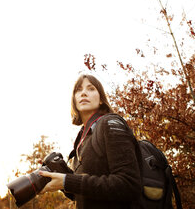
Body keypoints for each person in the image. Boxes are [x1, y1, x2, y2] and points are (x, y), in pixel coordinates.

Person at [39, 74, 142, 209]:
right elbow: (85, 194)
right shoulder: (82, 138)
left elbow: (129, 184)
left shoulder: (110, 123)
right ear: (74, 101)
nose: (84, 93)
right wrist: (62, 181)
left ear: (101, 100)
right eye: (78, 90)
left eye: (91, 89)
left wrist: (67, 181)